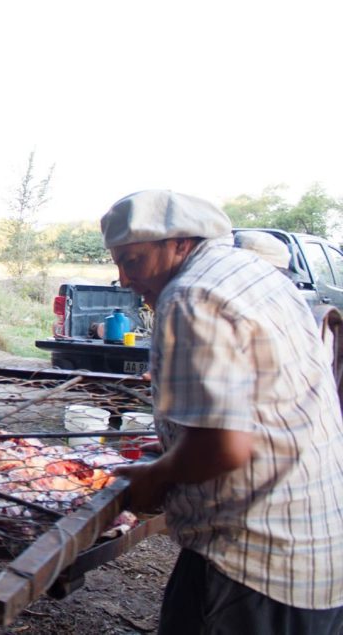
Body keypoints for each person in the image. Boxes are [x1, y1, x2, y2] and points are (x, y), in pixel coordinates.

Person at [100, 189, 343, 634]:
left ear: (179, 243)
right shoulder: (250, 271)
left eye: (132, 261)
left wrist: (155, 477)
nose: (124, 278)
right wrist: (176, 439)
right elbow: (259, 399)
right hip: (315, 534)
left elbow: (221, 449)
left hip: (259, 556)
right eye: (118, 263)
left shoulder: (190, 295)